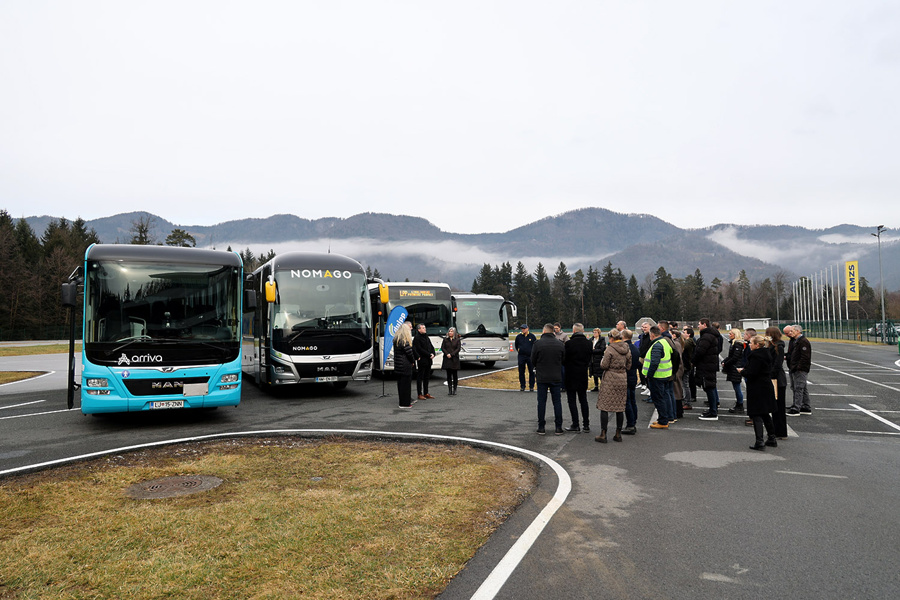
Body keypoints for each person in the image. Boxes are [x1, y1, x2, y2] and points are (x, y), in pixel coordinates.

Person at [738, 335, 778, 450]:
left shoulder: (756, 356)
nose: (749, 345)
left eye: (751, 343)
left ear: (757, 345)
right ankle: (772, 437)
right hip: (766, 385)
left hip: (757, 387)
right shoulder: (766, 354)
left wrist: (742, 372)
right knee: (765, 413)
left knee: (756, 414)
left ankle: (759, 441)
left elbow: (752, 372)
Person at [596, 328, 631, 442]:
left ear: (611, 338)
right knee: (620, 407)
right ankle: (618, 433)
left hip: (610, 378)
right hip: (622, 378)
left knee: (604, 406)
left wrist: (602, 361)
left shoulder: (610, 349)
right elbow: (629, 365)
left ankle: (603, 433)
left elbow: (604, 365)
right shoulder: (627, 348)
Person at [532, 323, 566, 435]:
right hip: (556, 376)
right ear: (553, 332)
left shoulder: (538, 343)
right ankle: (558, 427)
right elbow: (564, 360)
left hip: (542, 376)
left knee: (541, 402)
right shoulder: (560, 344)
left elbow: (533, 360)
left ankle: (541, 426)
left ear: (544, 331)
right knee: (557, 402)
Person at [564, 323, 593, 432]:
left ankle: (575, 423)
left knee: (572, 401)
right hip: (582, 373)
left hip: (571, 374)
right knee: (583, 400)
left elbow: (564, 359)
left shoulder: (569, 344)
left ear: (574, 331)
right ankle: (586, 424)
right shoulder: (588, 344)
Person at [642, 326, 673, 429]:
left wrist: (649, 375)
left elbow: (655, 362)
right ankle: (663, 418)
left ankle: (663, 421)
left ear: (652, 335)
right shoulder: (664, 342)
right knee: (663, 397)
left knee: (658, 399)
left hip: (657, 376)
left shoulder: (657, 345)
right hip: (665, 375)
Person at [695, 318, 722, 420]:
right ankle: (713, 409)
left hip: (707, 365)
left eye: (699, 324)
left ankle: (713, 412)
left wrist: (694, 360)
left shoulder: (707, 336)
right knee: (710, 387)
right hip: (709, 364)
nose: (698, 326)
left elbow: (700, 351)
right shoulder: (711, 335)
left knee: (709, 387)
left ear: (704, 325)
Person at [766, 326, 789, 438]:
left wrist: (771, 375)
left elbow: (777, 364)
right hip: (774, 378)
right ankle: (776, 429)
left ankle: (780, 431)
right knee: (774, 407)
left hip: (777, 380)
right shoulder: (772, 346)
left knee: (779, 407)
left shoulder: (779, 347)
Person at [787, 324, 812, 416]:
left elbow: (805, 357)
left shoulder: (803, 342)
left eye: (792, 331)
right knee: (803, 387)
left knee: (799, 388)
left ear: (798, 331)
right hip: (796, 368)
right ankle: (805, 406)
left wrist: (799, 367)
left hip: (800, 369)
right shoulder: (797, 341)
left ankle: (796, 408)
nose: (790, 333)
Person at [621, 329, 640, 435]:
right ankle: (633, 421)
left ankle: (630, 424)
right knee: (632, 401)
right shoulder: (635, 348)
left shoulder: (625, 349)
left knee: (627, 402)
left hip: (626, 377)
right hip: (633, 377)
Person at [722, 328, 745, 413]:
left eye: (731, 333)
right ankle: (739, 403)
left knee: (737, 386)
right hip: (734, 366)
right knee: (736, 386)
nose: (729, 334)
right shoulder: (734, 343)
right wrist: (724, 361)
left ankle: (740, 404)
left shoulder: (737, 344)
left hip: (735, 367)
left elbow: (735, 357)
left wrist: (726, 363)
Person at [393, 323, 416, 408]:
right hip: (405, 365)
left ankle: (401, 402)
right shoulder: (405, 341)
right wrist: (413, 361)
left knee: (400, 385)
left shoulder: (396, 340)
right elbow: (409, 353)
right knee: (406, 386)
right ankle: (405, 403)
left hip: (398, 365)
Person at [413, 323, 435, 400]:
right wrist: (429, 354)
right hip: (422, 360)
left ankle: (426, 392)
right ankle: (419, 393)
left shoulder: (426, 336)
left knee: (427, 377)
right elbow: (419, 349)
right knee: (420, 377)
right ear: (419, 330)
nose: (424, 329)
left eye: (425, 327)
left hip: (428, 360)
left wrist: (433, 353)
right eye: (423, 328)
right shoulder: (417, 338)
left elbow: (431, 346)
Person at [514, 324, 537, 392]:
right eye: (522, 329)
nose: (523, 330)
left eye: (524, 328)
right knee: (521, 371)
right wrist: (519, 350)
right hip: (521, 356)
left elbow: (535, 345)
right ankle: (522, 386)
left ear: (527, 328)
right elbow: (516, 345)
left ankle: (531, 386)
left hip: (530, 356)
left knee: (531, 372)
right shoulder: (519, 337)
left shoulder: (532, 336)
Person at [441, 327, 461, 396]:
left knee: (455, 375)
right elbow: (443, 348)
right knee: (448, 375)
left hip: (454, 359)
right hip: (447, 359)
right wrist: (447, 354)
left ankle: (455, 389)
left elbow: (458, 348)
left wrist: (452, 354)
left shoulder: (457, 340)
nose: (450, 333)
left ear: (454, 332)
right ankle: (450, 389)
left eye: (452, 331)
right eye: (449, 331)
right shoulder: (445, 339)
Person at [681, 326, 696, 410]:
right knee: (685, 384)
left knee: (685, 384)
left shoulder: (688, 342)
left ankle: (687, 402)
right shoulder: (689, 341)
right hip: (687, 365)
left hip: (686, 365)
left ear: (688, 334)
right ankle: (687, 400)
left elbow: (681, 348)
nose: (683, 334)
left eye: (684, 332)